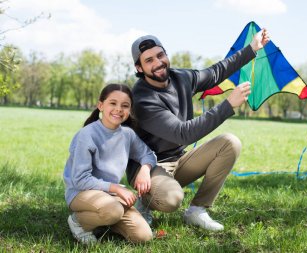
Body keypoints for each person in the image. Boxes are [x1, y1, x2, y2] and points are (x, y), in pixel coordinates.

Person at [128, 29, 270, 231]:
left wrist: (252, 48)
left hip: (179, 160)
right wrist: (227, 105)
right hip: (149, 168)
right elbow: (183, 133)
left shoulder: (180, 78)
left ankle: (197, 210)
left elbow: (215, 73)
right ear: (139, 68)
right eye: (149, 60)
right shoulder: (142, 100)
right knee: (171, 199)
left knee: (230, 143)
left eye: (160, 55)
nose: (158, 63)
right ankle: (143, 202)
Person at [63, 83, 157, 244]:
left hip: (110, 196)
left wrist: (145, 169)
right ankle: (78, 222)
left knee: (143, 236)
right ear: (101, 105)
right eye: (113, 103)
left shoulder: (127, 134)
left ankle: (105, 220)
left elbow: (148, 154)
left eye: (125, 105)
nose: (119, 109)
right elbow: (80, 179)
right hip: (81, 192)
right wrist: (115, 188)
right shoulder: (87, 135)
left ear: (129, 110)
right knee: (113, 210)